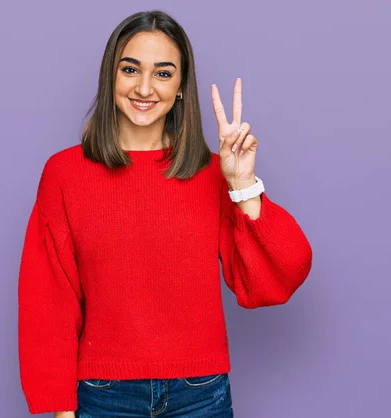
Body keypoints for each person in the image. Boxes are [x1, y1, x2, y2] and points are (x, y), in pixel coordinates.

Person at [17, 10, 313, 417]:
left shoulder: (212, 172)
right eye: (130, 69)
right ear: (111, 77)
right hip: (104, 396)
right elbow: (47, 302)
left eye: (162, 73)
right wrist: (59, 409)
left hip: (200, 394)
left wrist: (243, 183)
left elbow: (276, 279)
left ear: (180, 88)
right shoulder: (64, 174)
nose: (143, 87)